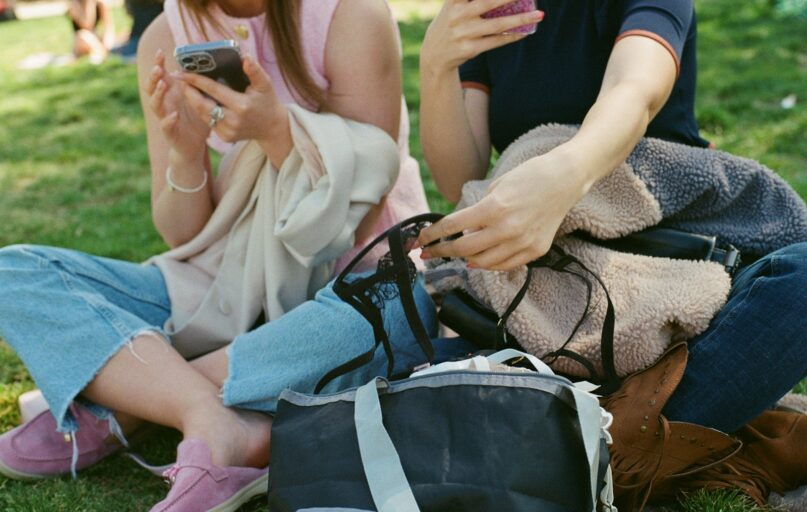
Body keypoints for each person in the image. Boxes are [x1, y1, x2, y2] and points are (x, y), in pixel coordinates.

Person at [0, 0, 431, 510]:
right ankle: (213, 418)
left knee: (391, 317)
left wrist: (276, 132)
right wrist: (185, 151)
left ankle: (121, 405)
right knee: (14, 273)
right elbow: (186, 235)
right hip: (228, 284)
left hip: (351, 279)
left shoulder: (350, 14)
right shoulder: (166, 32)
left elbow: (350, 220)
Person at [416, 0, 806, 504]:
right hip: (552, 279)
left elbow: (635, 91)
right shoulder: (491, 8)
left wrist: (566, 178)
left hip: (665, 256)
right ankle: (631, 443)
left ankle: (593, 443)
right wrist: (436, 66)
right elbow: (458, 175)